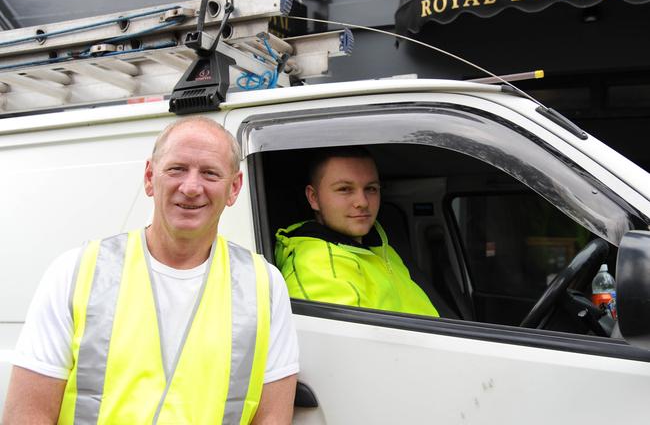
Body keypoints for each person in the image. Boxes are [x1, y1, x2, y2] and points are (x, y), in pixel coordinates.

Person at [3, 116, 299, 424]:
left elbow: (271, 418)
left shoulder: (263, 285)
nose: (191, 187)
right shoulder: (77, 271)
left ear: (234, 187)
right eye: (177, 169)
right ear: (149, 177)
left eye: (210, 173)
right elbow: (28, 415)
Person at [275, 146, 439, 317]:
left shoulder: (379, 247)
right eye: (344, 189)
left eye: (371, 188)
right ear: (313, 198)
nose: (362, 202)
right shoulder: (318, 267)